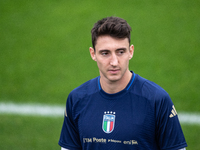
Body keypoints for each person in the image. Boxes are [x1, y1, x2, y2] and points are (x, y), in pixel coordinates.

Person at [58, 16, 187, 150]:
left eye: (120, 52)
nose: (114, 62)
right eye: (105, 53)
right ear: (93, 54)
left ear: (131, 52)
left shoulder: (157, 99)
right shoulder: (77, 99)